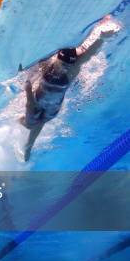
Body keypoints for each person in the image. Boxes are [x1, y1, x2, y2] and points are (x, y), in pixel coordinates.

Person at [19, 15, 119, 161]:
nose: (65, 68)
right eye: (63, 64)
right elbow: (30, 101)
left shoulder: (72, 70)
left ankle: (28, 146)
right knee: (29, 124)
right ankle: (21, 127)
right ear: (57, 59)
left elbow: (89, 54)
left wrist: (102, 38)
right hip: (39, 100)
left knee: (39, 122)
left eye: (68, 65)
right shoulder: (48, 66)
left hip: (52, 106)